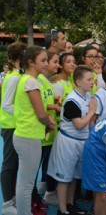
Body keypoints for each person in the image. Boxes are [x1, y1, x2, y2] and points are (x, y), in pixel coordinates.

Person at [47, 66, 97, 215]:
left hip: (81, 141)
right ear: (78, 82)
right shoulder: (72, 100)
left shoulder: (88, 97)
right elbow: (80, 124)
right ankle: (62, 210)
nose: (92, 82)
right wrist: (92, 111)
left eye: (92, 79)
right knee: (64, 177)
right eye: (89, 79)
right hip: (68, 141)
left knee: (75, 176)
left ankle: (70, 204)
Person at [13, 46, 56, 215]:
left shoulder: (26, 79)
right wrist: (49, 121)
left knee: (25, 182)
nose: (46, 64)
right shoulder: (31, 81)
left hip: (26, 135)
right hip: (28, 137)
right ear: (31, 62)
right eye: (43, 60)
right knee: (26, 184)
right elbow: (40, 114)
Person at [0, 42, 27, 215]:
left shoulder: (17, 74)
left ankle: (12, 198)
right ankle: (7, 203)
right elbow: (6, 104)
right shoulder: (15, 77)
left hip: (15, 125)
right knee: (9, 165)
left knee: (15, 164)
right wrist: (24, 115)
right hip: (11, 126)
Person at [36, 52, 61, 206]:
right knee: (36, 167)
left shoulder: (47, 81)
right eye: (54, 62)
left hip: (49, 132)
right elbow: (37, 104)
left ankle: (44, 190)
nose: (57, 65)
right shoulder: (37, 80)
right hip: (41, 132)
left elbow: (46, 101)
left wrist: (55, 102)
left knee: (48, 164)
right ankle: (34, 198)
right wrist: (55, 106)